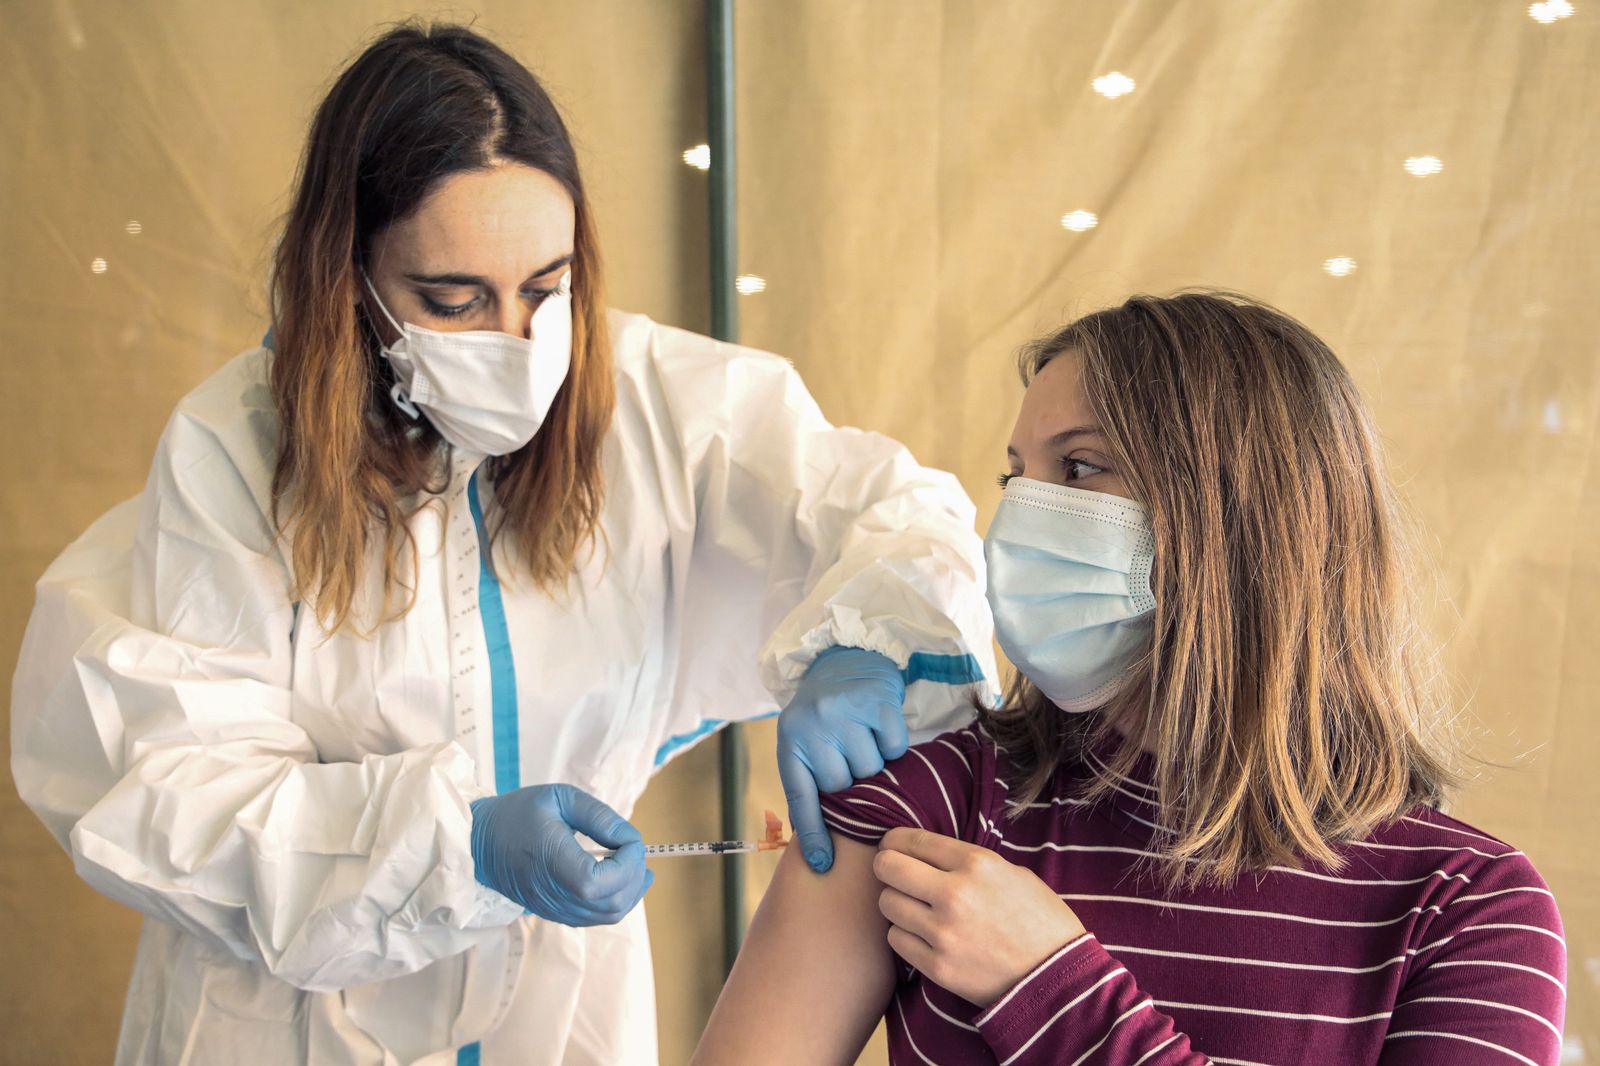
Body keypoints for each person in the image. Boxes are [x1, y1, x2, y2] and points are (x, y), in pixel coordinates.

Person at [9, 23, 997, 1065]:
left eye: (544, 287)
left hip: (562, 1012)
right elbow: (172, 793)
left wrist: (868, 639)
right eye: (454, 300)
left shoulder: (654, 406)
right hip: (288, 1024)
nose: (519, 346)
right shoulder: (238, 455)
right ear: (350, 276)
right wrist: (457, 847)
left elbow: (894, 512)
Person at [693, 292, 1567, 1065]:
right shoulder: (944, 805)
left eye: (1078, 467)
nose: (1016, 518)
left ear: (1238, 510)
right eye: (1016, 475)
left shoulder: (1467, 910)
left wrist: (1048, 989)